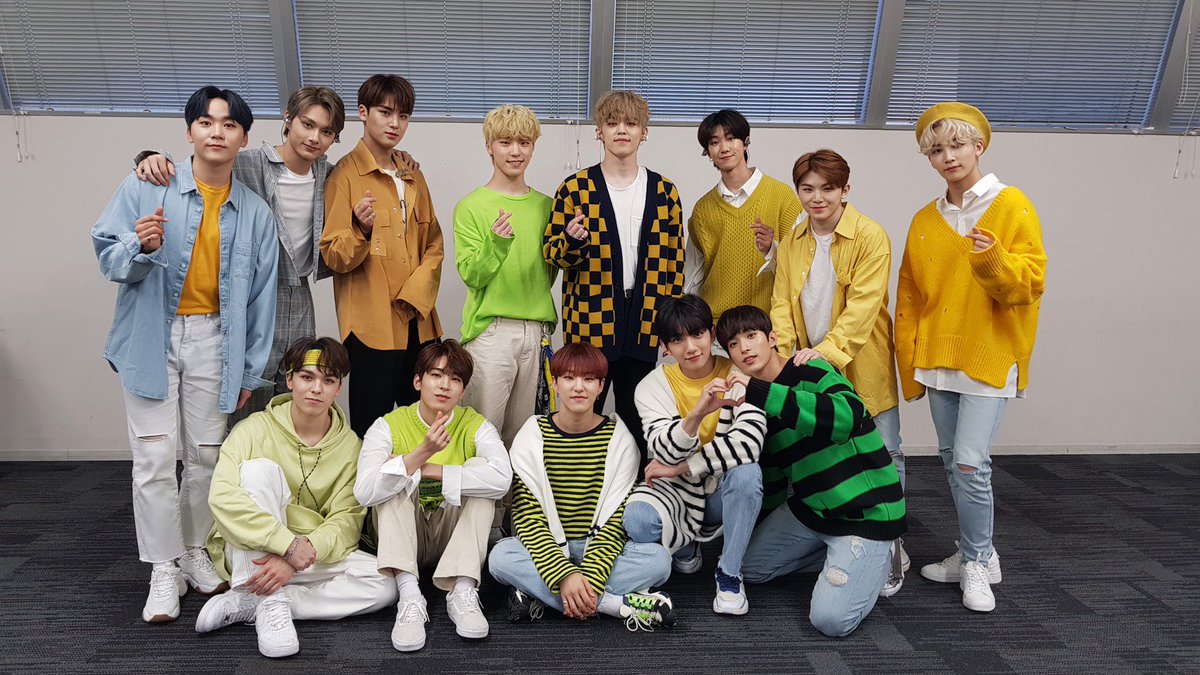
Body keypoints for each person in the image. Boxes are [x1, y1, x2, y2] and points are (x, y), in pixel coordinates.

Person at [91, 85, 278, 623]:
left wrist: (250, 372)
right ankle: (162, 567)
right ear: (190, 131)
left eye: (229, 124)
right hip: (151, 336)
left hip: (217, 343)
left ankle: (194, 550)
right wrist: (140, 246)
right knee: (153, 457)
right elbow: (107, 257)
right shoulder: (148, 184)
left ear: (244, 138)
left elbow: (261, 299)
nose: (217, 132)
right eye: (206, 122)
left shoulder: (256, 213)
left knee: (206, 457)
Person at [895, 102, 1047, 613]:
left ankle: (978, 560)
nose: (948, 156)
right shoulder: (924, 220)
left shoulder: (1011, 205)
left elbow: (1029, 287)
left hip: (990, 354)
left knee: (969, 463)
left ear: (979, 146)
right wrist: (909, 365)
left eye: (958, 145)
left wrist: (991, 258)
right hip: (938, 356)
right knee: (950, 461)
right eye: (936, 150)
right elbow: (910, 297)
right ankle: (974, 553)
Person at [133, 87, 346, 425]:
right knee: (244, 407)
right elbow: (195, 167)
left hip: (300, 297)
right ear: (288, 120)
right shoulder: (245, 162)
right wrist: (150, 157)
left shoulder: (332, 177)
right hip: (248, 295)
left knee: (298, 400)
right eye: (307, 125)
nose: (314, 137)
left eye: (326, 131)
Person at [196, 337, 395, 658]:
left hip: (307, 555)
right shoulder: (252, 429)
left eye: (328, 380)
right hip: (250, 552)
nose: (316, 388)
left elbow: (346, 521)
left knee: (385, 583)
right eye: (307, 377)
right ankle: (270, 603)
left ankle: (263, 602)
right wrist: (285, 545)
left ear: (338, 389)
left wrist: (296, 556)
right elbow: (222, 497)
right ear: (289, 380)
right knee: (258, 472)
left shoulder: (351, 447)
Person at [716, 306, 905, 637]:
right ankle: (842, 559)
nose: (744, 348)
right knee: (749, 567)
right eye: (733, 344)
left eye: (751, 336)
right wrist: (759, 531)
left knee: (830, 621)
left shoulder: (811, 368)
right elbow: (773, 476)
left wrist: (760, 392)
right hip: (814, 511)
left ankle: (878, 556)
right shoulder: (755, 405)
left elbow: (846, 418)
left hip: (866, 512)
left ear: (772, 339)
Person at [770, 148, 908, 595]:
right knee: (820, 452)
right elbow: (781, 304)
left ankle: (892, 546)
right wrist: (783, 361)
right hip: (808, 366)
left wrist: (825, 355)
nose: (817, 198)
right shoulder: (792, 240)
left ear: (845, 190)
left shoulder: (870, 236)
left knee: (885, 452)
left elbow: (862, 309)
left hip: (859, 363)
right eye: (807, 189)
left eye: (827, 188)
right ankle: (838, 535)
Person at [488, 342, 675, 631]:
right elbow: (527, 519)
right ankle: (614, 604)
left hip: (601, 549)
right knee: (500, 558)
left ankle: (541, 595)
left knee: (659, 561)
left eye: (589, 379)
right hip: (547, 546)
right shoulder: (532, 436)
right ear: (554, 383)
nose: (579, 387)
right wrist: (564, 575)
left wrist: (589, 575)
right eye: (569, 378)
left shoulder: (619, 440)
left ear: (601, 387)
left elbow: (616, 522)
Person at [543, 90, 685, 460]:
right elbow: (553, 254)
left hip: (645, 319)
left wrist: (670, 327)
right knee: (578, 411)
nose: (622, 130)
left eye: (631, 123)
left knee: (638, 417)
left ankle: (633, 488)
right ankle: (573, 483)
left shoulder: (664, 192)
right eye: (612, 123)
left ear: (644, 132)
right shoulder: (575, 189)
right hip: (590, 319)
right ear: (599, 131)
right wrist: (572, 241)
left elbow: (675, 264)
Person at [354, 340, 512, 652]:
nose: (445, 385)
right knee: (391, 479)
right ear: (418, 381)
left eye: (455, 379)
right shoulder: (387, 425)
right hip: (404, 535)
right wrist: (418, 455)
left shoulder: (475, 425)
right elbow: (364, 492)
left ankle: (462, 590)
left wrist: (428, 468)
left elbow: (502, 480)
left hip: (453, 538)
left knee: (483, 479)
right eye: (436, 375)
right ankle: (409, 594)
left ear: (462, 391)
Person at [621, 294, 766, 616]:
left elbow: (749, 444)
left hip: (719, 489)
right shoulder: (651, 386)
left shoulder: (739, 373)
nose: (690, 347)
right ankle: (685, 544)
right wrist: (697, 413)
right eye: (677, 339)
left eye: (698, 334)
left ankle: (729, 572)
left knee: (748, 473)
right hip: (676, 491)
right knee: (637, 520)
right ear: (665, 347)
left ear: (712, 334)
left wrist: (683, 466)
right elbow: (662, 451)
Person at [321, 74, 444, 437]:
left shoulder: (412, 174)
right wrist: (360, 230)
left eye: (403, 116)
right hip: (370, 327)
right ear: (363, 112)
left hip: (419, 323)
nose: (395, 124)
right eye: (385, 113)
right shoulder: (344, 176)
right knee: (370, 431)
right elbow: (333, 255)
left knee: (424, 426)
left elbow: (434, 244)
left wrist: (414, 296)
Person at [453, 104, 557, 448]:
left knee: (524, 440)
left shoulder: (547, 206)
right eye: (505, 142)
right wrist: (496, 244)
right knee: (481, 436)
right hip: (491, 332)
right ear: (489, 147)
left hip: (537, 332)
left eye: (524, 143)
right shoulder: (471, 206)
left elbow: (549, 271)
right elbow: (472, 276)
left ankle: (517, 490)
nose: (516, 152)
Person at [684, 108, 802, 322]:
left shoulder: (782, 197)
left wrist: (771, 248)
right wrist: (694, 326)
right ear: (708, 153)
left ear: (746, 143)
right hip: (718, 325)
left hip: (767, 324)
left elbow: (799, 268)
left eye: (731, 138)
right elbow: (693, 278)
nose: (724, 148)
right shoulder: (702, 209)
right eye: (714, 142)